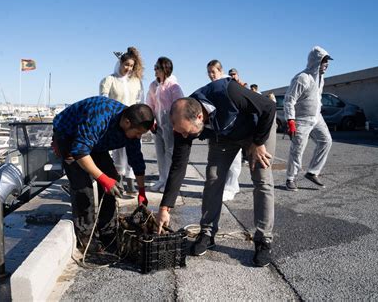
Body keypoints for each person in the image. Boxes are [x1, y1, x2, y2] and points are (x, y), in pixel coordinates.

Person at [156, 77, 277, 267]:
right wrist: (165, 208)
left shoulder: (229, 93)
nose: (184, 136)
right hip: (224, 137)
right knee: (213, 178)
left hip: (255, 129)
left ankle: (263, 240)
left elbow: (269, 107)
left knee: (262, 180)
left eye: (187, 132)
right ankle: (207, 232)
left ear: (199, 117)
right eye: (181, 132)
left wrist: (259, 142)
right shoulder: (182, 125)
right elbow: (178, 165)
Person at [52, 96, 154, 252]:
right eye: (138, 133)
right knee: (83, 186)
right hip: (69, 137)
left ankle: (108, 231)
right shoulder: (99, 117)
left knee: (113, 180)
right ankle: (86, 236)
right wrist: (102, 178)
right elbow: (80, 152)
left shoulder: (133, 125)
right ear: (127, 122)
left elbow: (136, 159)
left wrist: (141, 191)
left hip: (97, 143)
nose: (138, 137)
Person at [284, 46, 333, 191]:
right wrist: (290, 120)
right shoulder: (302, 78)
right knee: (297, 149)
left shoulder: (320, 79)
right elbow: (289, 100)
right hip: (301, 119)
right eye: (324, 61)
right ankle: (290, 179)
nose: (327, 64)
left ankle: (312, 172)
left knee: (326, 141)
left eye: (328, 61)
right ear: (316, 61)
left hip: (316, 117)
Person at [100, 47, 144, 193]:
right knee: (118, 153)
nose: (128, 68)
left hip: (134, 123)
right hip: (117, 122)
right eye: (126, 65)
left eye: (131, 66)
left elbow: (140, 101)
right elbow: (103, 101)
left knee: (134, 150)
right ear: (120, 63)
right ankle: (119, 180)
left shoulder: (136, 81)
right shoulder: (109, 80)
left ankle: (131, 182)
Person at [146, 57, 184, 192]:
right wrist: (152, 120)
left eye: (157, 67)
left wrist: (176, 123)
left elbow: (179, 105)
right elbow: (149, 104)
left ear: (165, 69)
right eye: (155, 67)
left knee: (170, 152)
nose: (155, 70)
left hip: (170, 123)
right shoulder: (153, 85)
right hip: (158, 124)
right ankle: (162, 179)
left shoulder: (173, 86)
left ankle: (169, 181)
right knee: (159, 152)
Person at [206, 59, 241, 201]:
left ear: (220, 71)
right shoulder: (212, 86)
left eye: (213, 72)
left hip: (232, 127)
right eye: (209, 72)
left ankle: (231, 187)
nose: (211, 75)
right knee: (221, 159)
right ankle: (229, 185)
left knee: (234, 160)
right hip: (218, 128)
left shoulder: (228, 84)